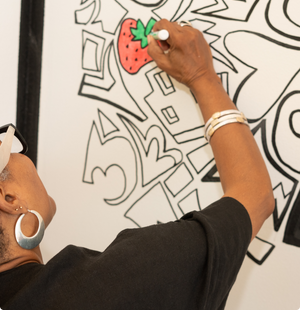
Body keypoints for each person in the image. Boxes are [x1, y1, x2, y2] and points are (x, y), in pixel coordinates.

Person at [0, 20, 274, 310]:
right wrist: (202, 75)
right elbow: (254, 197)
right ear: (8, 198)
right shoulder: (112, 286)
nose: (20, 152)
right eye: (6, 147)